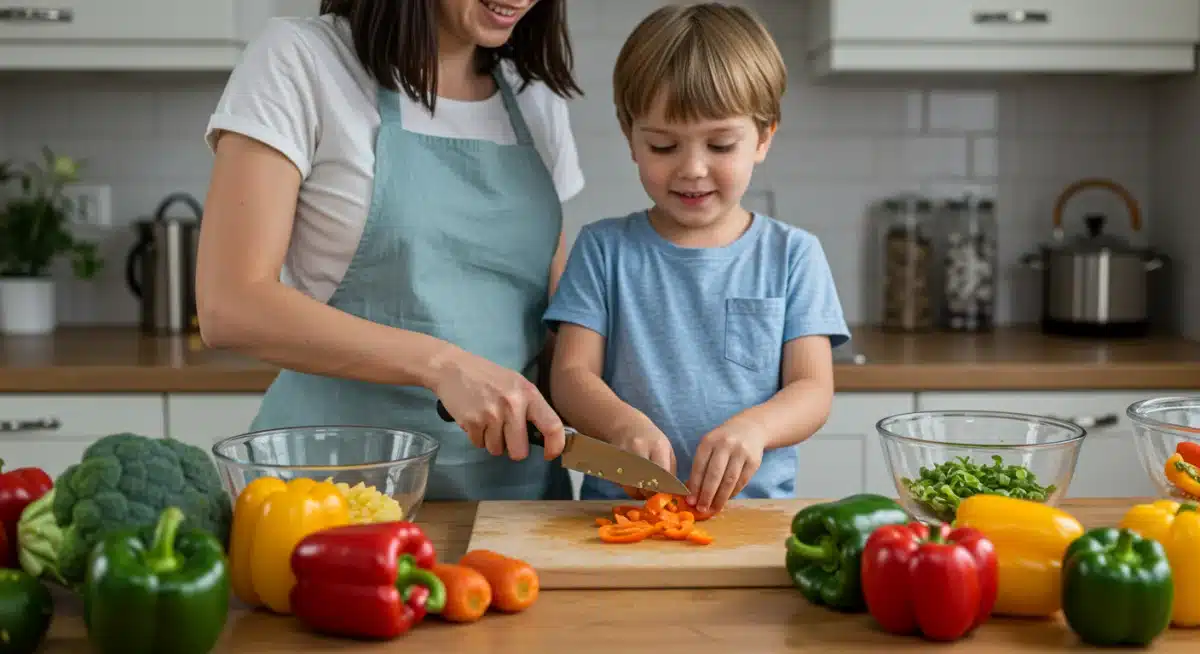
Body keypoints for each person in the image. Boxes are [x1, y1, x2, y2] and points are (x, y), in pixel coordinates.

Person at [195, 0, 586, 501]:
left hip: (513, 505)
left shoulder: (536, 99)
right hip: (330, 499)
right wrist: (441, 365)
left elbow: (551, 325)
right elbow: (231, 305)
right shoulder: (304, 60)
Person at [544, 2, 851, 515]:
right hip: (616, 514)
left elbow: (812, 388)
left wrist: (755, 428)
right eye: (664, 145)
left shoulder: (793, 254)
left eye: (721, 144)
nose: (692, 169)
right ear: (631, 137)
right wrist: (621, 424)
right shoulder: (602, 249)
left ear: (764, 137)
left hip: (751, 516)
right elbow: (571, 376)